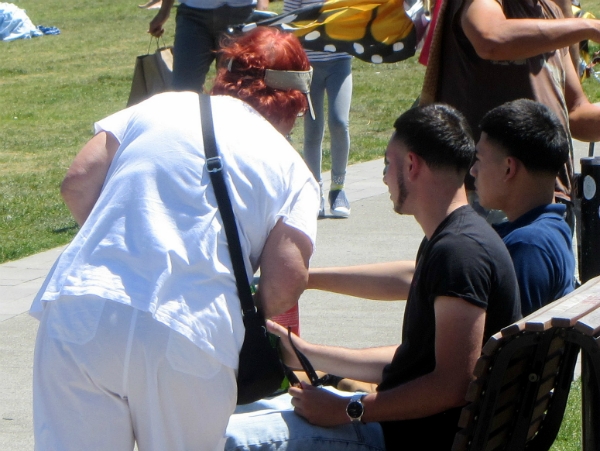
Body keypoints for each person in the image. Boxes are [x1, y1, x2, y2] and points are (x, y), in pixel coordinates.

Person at [29, 27, 319, 451]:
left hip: (81, 306)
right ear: (292, 103)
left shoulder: (160, 105)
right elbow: (285, 281)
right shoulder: (292, 170)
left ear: (225, 75)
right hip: (190, 331)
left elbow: (77, 183)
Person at [225, 104, 521, 451]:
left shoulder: (459, 253)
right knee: (233, 415)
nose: (383, 178)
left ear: (411, 166)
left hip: (405, 438)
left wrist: (347, 409)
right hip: (400, 426)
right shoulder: (456, 238)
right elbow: (412, 360)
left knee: (223, 439)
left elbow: (452, 384)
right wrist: (307, 352)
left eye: (387, 164)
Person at [421, 0, 600, 221]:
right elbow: (491, 39)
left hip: (551, 198)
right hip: (491, 200)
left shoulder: (549, 12)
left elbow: (575, 113)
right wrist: (589, 28)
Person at [470, 99, 576, 317]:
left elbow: (510, 346)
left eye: (479, 159)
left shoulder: (528, 247)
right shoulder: (550, 230)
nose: (473, 170)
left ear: (509, 168)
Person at [283, 0, 353, 218]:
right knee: (313, 128)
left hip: (339, 61)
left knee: (339, 122)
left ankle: (338, 189)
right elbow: (288, 23)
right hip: (308, 64)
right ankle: (316, 190)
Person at [148, 0, 268, 92]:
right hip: (193, 16)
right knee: (183, 88)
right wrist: (164, 11)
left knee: (236, 88)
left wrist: (262, 10)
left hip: (241, 15)